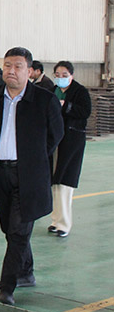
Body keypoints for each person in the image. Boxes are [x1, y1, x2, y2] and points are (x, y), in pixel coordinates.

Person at [0, 47, 63, 305]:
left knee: (19, 232)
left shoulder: (44, 100)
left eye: (18, 66)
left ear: (29, 71)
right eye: (7, 65)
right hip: (0, 173)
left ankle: (7, 286)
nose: (11, 71)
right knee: (9, 229)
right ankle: (26, 272)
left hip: (27, 177)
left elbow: (56, 134)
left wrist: (33, 159)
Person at [48, 61, 91, 237]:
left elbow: (85, 111)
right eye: (57, 75)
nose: (61, 78)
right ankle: (55, 220)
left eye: (64, 75)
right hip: (55, 140)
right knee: (54, 181)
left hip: (72, 141)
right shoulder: (53, 91)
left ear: (71, 75)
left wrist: (65, 105)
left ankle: (64, 224)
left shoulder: (80, 91)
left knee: (65, 182)